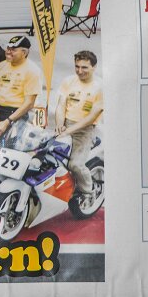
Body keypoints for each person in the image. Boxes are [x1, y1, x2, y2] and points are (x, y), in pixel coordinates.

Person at [55, 50, 104, 195]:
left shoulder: (100, 86)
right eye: (77, 66)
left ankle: (89, 191)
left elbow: (92, 117)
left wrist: (68, 131)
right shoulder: (68, 81)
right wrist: (59, 124)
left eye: (84, 67)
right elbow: (61, 105)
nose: (80, 71)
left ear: (94, 67)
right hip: (65, 125)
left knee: (75, 164)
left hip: (85, 130)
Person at [0, 35, 44, 122]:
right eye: (8, 48)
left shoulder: (32, 70)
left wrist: (8, 121)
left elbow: (29, 103)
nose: (8, 52)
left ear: (24, 53)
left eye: (13, 50)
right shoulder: (2, 65)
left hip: (15, 113)